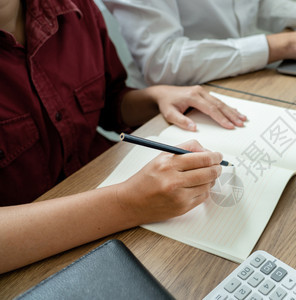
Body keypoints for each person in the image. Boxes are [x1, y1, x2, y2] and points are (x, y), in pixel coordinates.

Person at [0, 0, 246, 273]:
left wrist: (156, 97)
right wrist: (126, 202)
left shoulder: (75, 7)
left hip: (120, 199)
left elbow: (110, 102)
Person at [103, 0, 296, 85]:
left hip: (244, 78)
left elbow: (251, 4)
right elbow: (162, 61)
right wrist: (287, 44)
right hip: (177, 98)